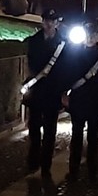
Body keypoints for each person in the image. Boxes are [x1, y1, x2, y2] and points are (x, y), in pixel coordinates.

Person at [63, 26, 98, 182]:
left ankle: (84, 169)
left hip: (90, 101)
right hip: (88, 101)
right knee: (84, 135)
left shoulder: (77, 56)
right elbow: (67, 76)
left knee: (86, 135)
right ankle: (85, 170)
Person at [23, 9, 67, 176]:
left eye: (52, 21)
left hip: (53, 89)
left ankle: (46, 160)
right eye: (46, 20)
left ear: (57, 23)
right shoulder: (34, 41)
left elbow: (66, 67)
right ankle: (33, 158)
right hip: (36, 89)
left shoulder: (63, 42)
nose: (49, 24)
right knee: (34, 126)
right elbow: (30, 63)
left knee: (50, 128)